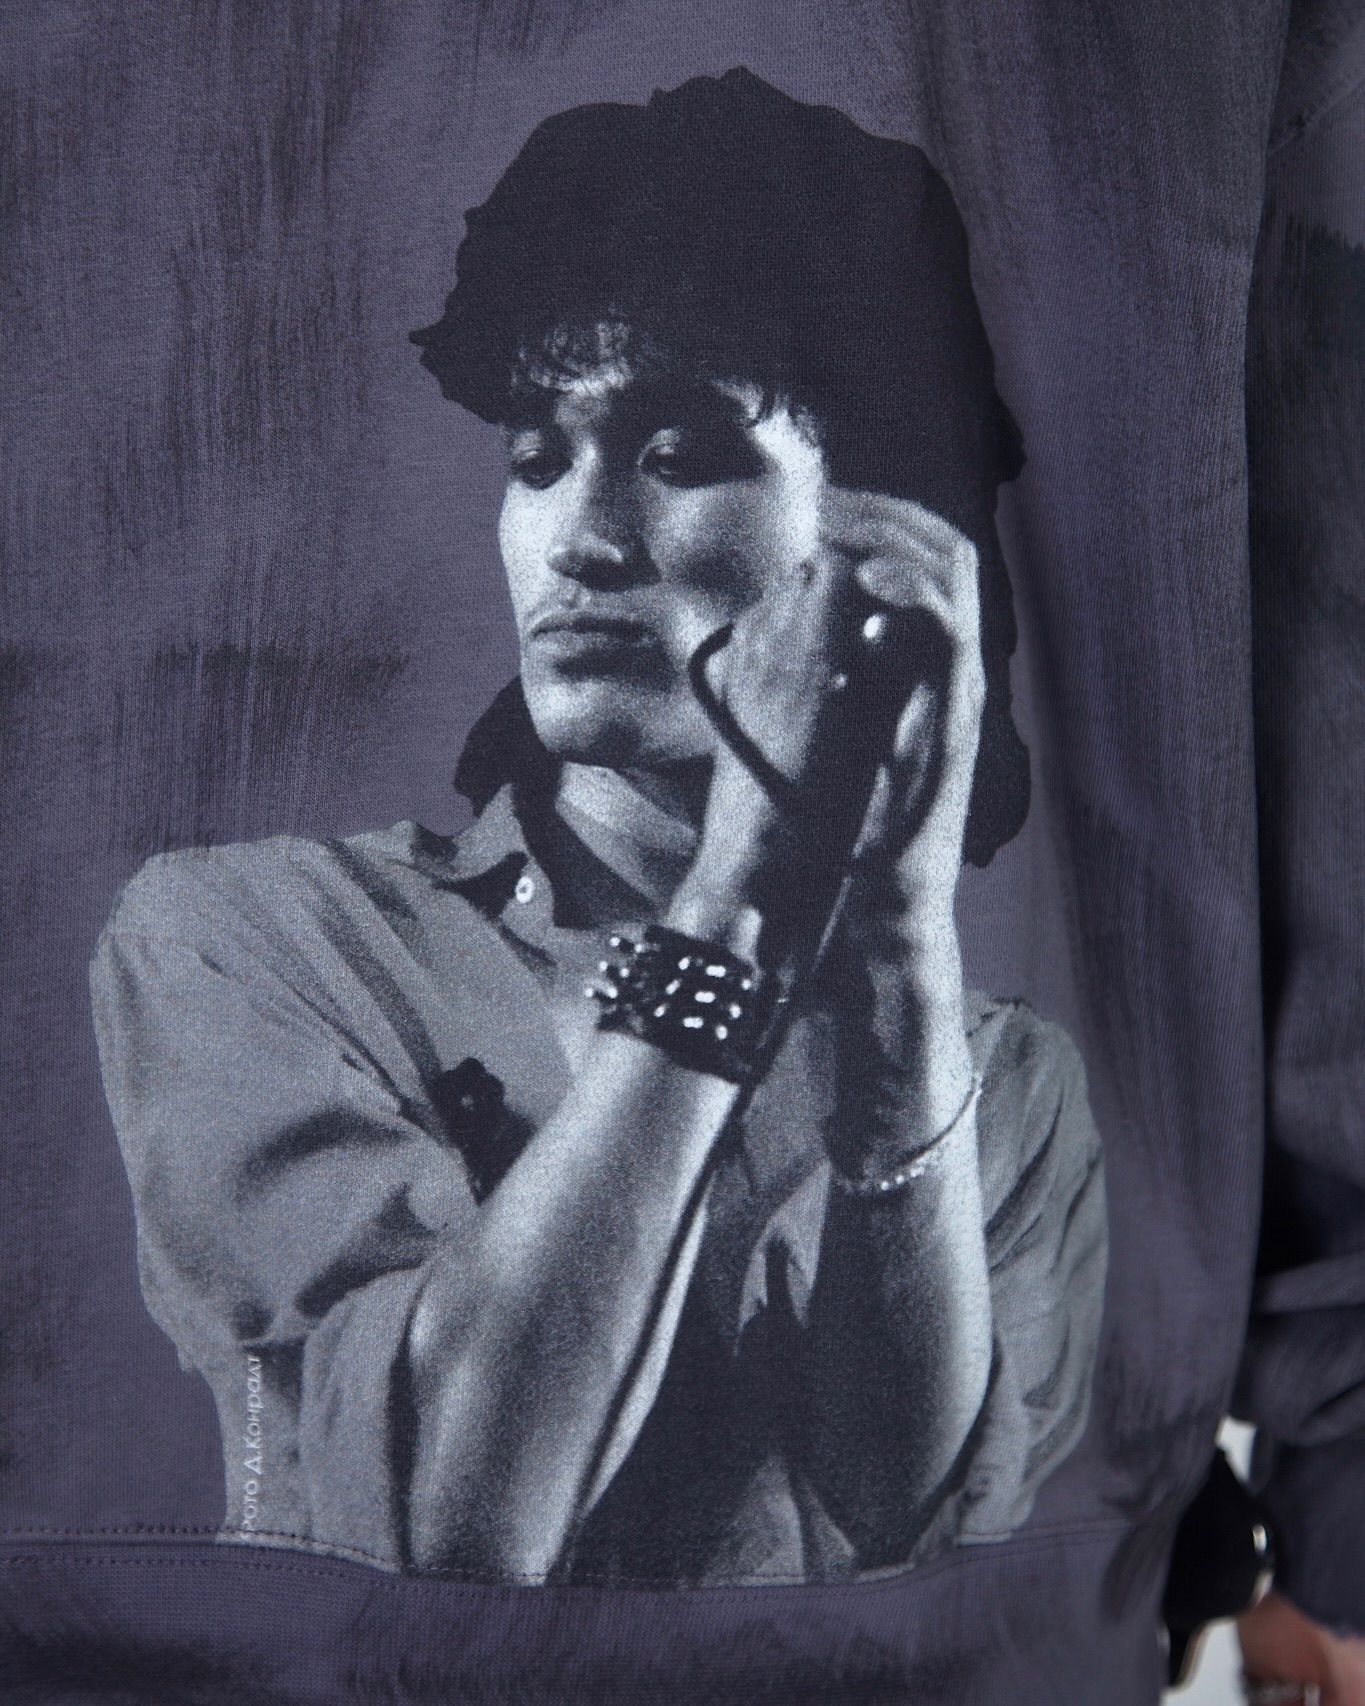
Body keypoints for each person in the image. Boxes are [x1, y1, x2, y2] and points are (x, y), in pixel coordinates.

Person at [89, 69, 1107, 1587]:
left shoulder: (1002, 1088)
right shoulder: (252, 942)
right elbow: (453, 1519)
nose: (578, 539)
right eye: (535, 458)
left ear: (888, 531)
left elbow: (907, 1544)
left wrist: (900, 955)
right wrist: (747, 886)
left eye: (678, 453)